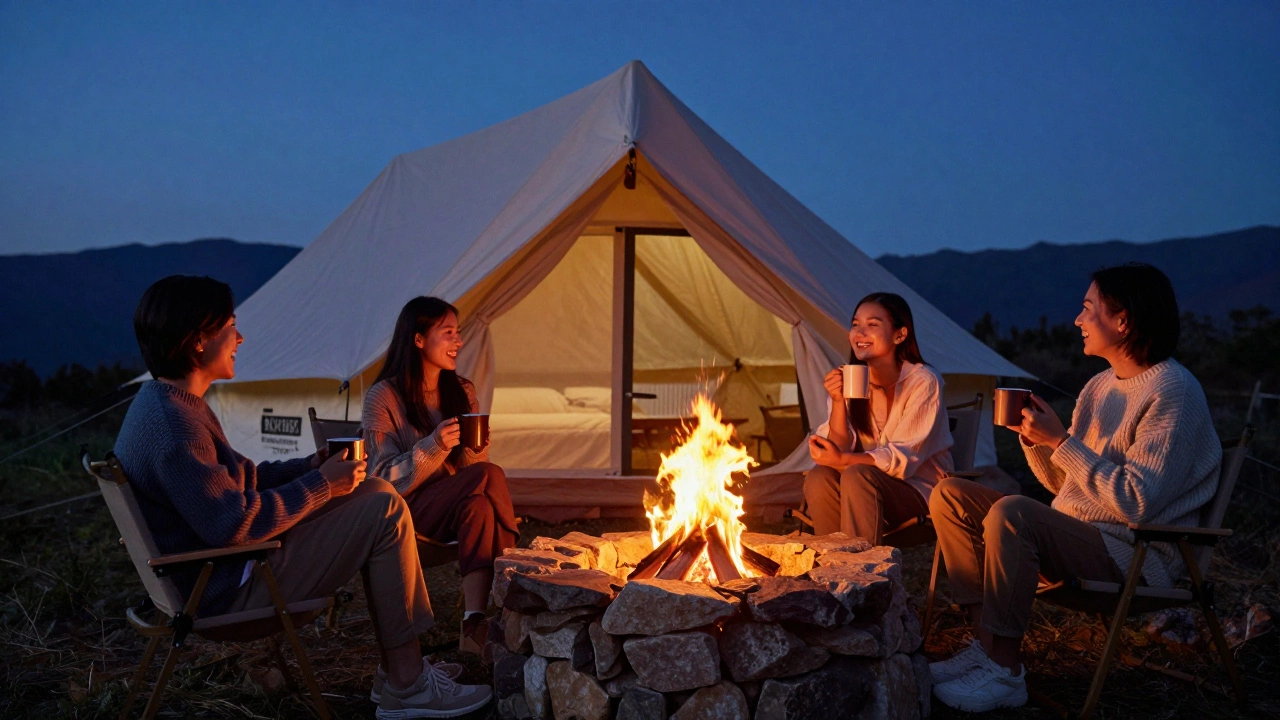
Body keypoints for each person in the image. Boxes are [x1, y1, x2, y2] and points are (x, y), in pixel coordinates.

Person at [114, 276, 491, 718]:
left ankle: (399, 671)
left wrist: (310, 466)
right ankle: (407, 684)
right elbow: (232, 524)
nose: (240, 338)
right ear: (199, 341)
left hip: (221, 572)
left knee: (375, 489)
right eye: (231, 326)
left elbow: (242, 479)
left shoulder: (167, 404)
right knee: (384, 508)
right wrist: (323, 485)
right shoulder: (176, 426)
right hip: (230, 591)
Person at [927, 263, 1221, 712]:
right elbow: (1066, 486)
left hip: (1134, 556)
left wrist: (1061, 441)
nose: (1078, 319)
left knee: (1012, 512)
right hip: (1081, 538)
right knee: (951, 495)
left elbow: (1137, 502)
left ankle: (1004, 671)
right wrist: (1037, 441)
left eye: (1088, 308)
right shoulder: (1099, 386)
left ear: (1122, 321)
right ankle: (986, 645)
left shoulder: (1173, 391)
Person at [362, 296, 518, 654]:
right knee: (489, 474)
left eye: (457, 333)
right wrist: (433, 445)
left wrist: (475, 449)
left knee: (480, 504)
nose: (458, 341)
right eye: (448, 333)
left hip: (454, 506)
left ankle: (473, 623)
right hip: (405, 513)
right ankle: (514, 577)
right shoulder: (383, 397)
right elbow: (382, 479)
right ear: (418, 339)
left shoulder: (462, 391)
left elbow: (470, 475)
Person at [802, 292, 955, 545]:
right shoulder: (851, 380)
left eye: (872, 325)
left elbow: (903, 459)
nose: (860, 333)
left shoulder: (924, 381)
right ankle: (831, 563)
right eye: (855, 324)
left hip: (919, 494)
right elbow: (839, 448)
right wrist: (838, 401)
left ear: (900, 335)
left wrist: (844, 460)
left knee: (857, 474)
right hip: (862, 490)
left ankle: (859, 568)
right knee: (820, 477)